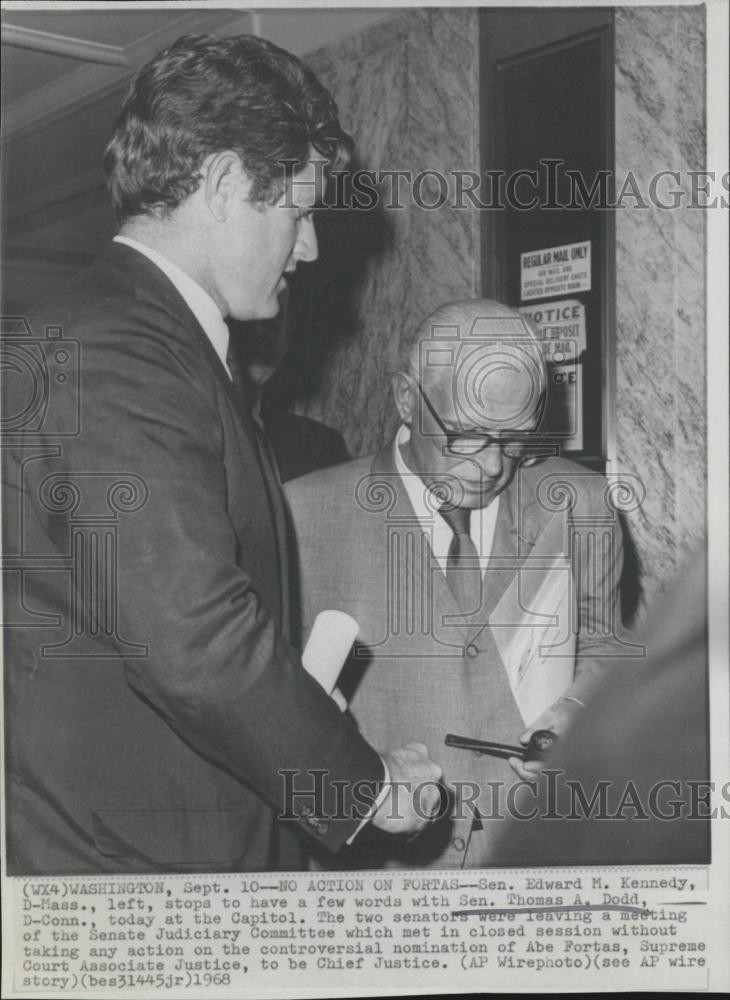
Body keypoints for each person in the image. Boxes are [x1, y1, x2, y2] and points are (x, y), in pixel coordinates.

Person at [1, 33, 441, 876]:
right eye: (299, 211)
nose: (309, 249)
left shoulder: (148, 340)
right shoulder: (117, 347)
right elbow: (194, 640)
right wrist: (366, 786)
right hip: (135, 875)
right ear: (225, 184)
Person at [286, 299, 625, 868]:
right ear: (404, 399)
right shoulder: (302, 516)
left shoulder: (580, 505)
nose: (492, 466)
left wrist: (580, 710)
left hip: (544, 861)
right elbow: (274, 725)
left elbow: (607, 646)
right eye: (466, 435)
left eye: (515, 438)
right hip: (382, 883)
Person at [227, 296, 349, 482]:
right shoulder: (186, 430)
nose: (261, 337)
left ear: (288, 336)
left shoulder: (321, 446)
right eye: (248, 324)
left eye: (273, 324)